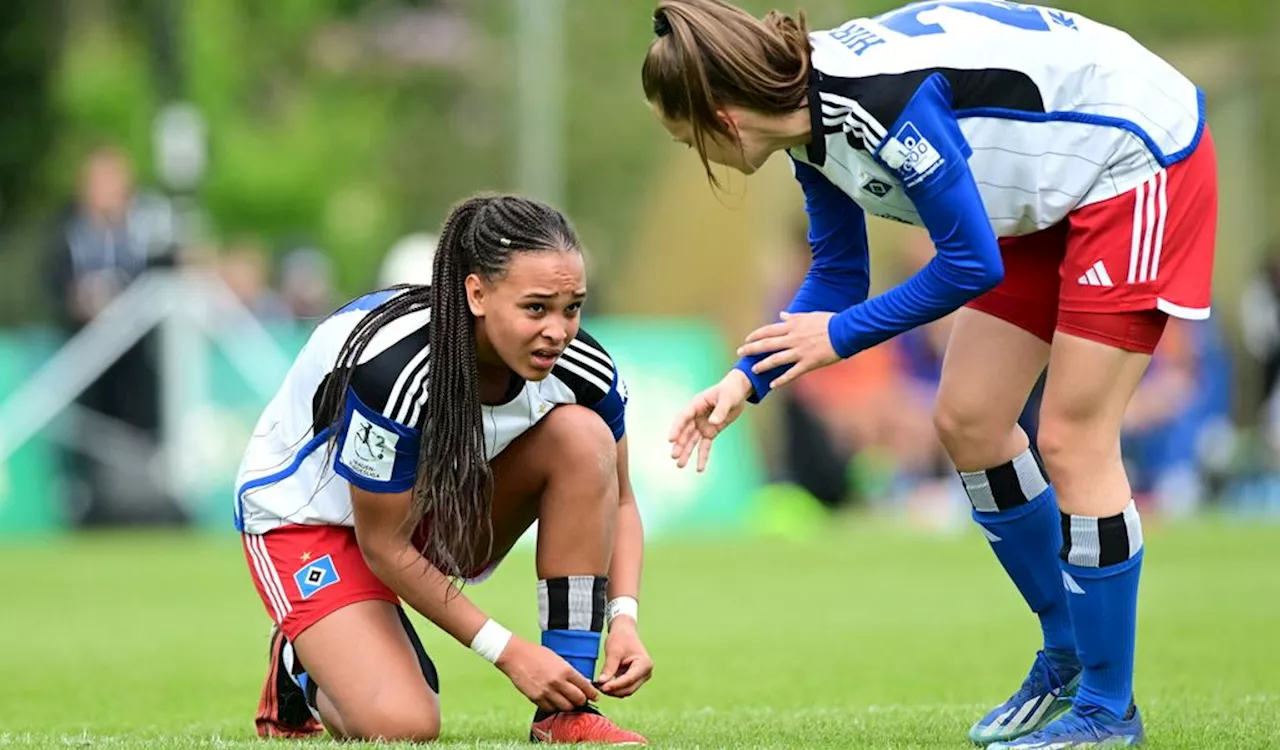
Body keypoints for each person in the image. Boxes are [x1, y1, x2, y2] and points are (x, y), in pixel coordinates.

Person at [643, 1, 1216, 747]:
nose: (697, 153)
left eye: (684, 136)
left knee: (1075, 438)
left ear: (721, 117)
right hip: (1051, 187)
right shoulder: (804, 124)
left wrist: (841, 338)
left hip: (1136, 157)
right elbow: (838, 276)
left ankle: (1109, 710)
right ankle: (1070, 655)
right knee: (970, 419)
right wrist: (744, 380)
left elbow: (969, 264)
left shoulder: (875, 103)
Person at [234, 194, 651, 744]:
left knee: (583, 439)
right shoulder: (395, 369)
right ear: (477, 293)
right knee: (403, 724)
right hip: (311, 524)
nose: (559, 330)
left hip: (427, 507)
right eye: (536, 308)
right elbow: (382, 544)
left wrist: (624, 617)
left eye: (571, 307)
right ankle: (300, 660)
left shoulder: (582, 368)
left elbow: (620, 499)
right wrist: (509, 652)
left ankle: (564, 714)